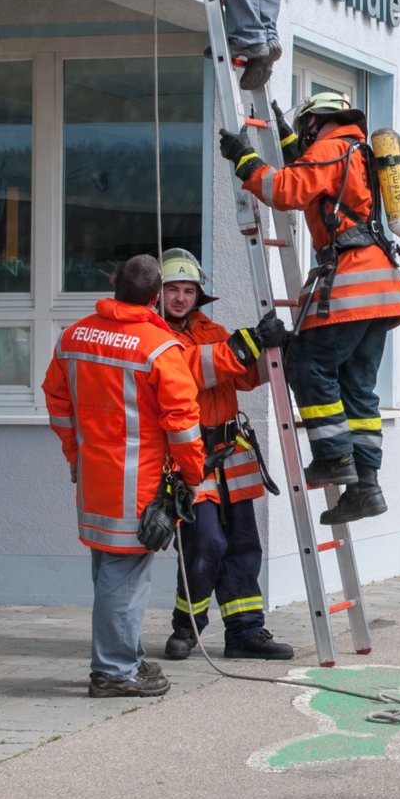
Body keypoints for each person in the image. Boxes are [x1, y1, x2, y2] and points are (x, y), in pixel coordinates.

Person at [219, 91, 400, 524]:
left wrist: (243, 159)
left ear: (315, 122)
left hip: (350, 285)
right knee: (358, 388)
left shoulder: (331, 148)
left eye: (304, 129)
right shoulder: (358, 151)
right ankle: (366, 486)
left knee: (308, 365)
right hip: (381, 290)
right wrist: (286, 140)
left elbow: (284, 189)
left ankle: (332, 458)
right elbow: (311, 175)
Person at [42, 255, 206, 698]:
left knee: (110, 571)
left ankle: (125, 657)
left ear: (114, 284)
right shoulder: (158, 346)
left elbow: (57, 404)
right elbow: (182, 423)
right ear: (156, 296)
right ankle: (114, 671)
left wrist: (73, 454)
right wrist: (193, 476)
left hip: (94, 477)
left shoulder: (73, 336)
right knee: (125, 577)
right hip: (139, 484)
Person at [153, 250, 294, 663]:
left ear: (198, 294)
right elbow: (192, 370)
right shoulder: (156, 336)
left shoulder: (210, 329)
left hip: (231, 452)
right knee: (206, 543)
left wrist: (275, 350)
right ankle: (187, 626)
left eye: (188, 290)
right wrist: (247, 343)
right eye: (172, 289)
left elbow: (244, 375)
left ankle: (245, 632)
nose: (180, 298)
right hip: (189, 455)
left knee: (243, 544)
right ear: (157, 293)